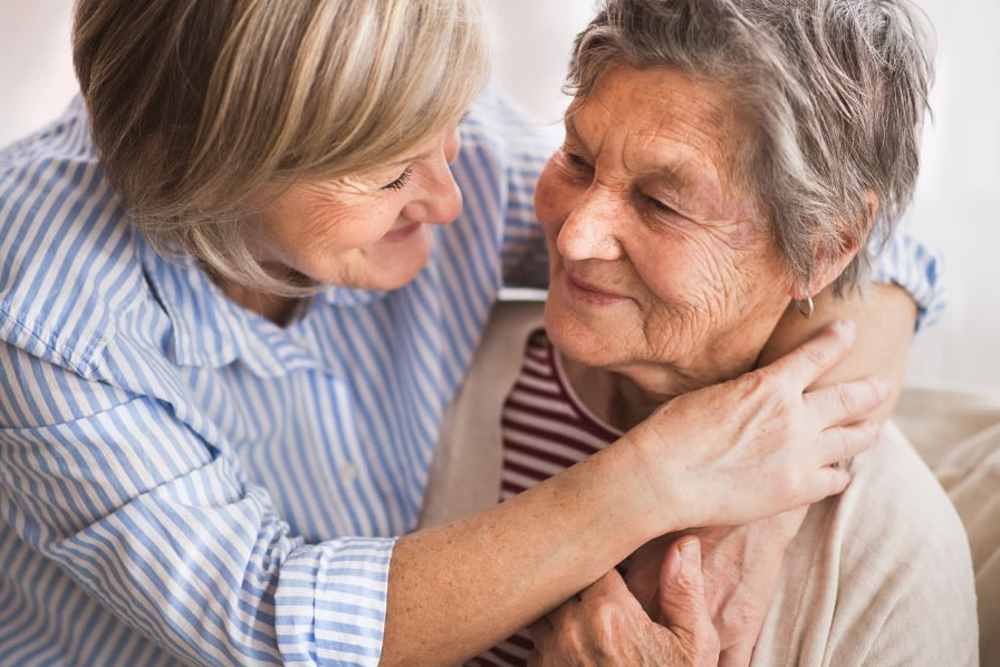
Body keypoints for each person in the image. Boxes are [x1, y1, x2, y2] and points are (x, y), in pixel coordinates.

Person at [0, 1, 941, 665]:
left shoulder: (426, 145)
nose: (455, 200)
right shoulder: (46, 309)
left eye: (446, 130)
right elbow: (266, 621)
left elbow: (845, 237)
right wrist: (664, 477)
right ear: (212, 180)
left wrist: (757, 502)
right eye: (387, 176)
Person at [416, 1, 977, 665]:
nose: (575, 236)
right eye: (577, 157)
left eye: (661, 203)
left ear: (825, 248)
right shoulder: (449, 376)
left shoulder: (894, 552)